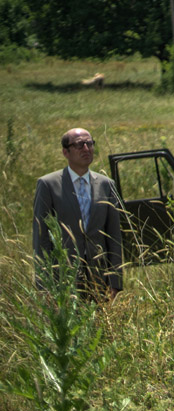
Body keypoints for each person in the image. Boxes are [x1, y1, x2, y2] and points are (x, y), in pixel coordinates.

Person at [32, 127, 123, 300]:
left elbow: (114, 236)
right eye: (80, 145)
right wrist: (44, 285)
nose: (86, 149)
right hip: (62, 279)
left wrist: (115, 281)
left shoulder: (106, 184)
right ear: (65, 152)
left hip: (99, 278)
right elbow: (41, 237)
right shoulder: (48, 185)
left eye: (90, 144)